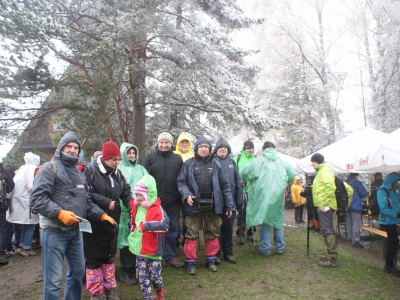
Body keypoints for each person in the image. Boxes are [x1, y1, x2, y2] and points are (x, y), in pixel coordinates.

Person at [30, 131, 115, 299]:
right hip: (53, 231)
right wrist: (60, 213)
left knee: (77, 273)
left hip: (75, 231)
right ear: (61, 148)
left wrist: (101, 215)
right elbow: (37, 199)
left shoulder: (79, 173)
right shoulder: (49, 168)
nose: (72, 150)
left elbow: (86, 201)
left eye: (76, 147)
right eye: (69, 146)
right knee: (53, 280)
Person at [83, 141, 134, 300]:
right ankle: (96, 294)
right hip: (94, 222)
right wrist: (103, 206)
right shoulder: (90, 171)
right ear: (105, 158)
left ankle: (110, 290)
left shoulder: (117, 173)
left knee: (109, 257)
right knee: (93, 260)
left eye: (119, 159)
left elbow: (126, 192)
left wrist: (133, 208)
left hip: (113, 221)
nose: (117, 162)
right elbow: (85, 196)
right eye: (114, 159)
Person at [177, 136, 235, 275]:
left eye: (206, 147)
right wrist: (186, 194)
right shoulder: (188, 164)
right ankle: (190, 262)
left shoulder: (217, 164)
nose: (203, 149)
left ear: (209, 150)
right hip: (193, 205)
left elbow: (225, 186)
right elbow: (181, 182)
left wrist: (230, 205)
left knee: (212, 233)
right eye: (201, 147)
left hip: (213, 206)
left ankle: (211, 259)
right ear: (196, 149)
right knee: (191, 234)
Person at [240, 141, 295, 256]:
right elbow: (292, 175)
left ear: (263, 150)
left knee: (265, 221)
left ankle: (265, 249)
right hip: (278, 196)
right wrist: (284, 183)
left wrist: (247, 179)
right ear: (274, 149)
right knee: (278, 221)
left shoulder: (259, 161)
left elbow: (244, 172)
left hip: (263, 195)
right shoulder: (282, 162)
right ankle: (280, 247)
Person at [142, 132, 184, 268]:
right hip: (156, 202)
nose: (164, 145)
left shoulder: (177, 159)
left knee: (172, 229)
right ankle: (157, 257)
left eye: (167, 142)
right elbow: (143, 178)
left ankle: (171, 256)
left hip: (174, 201)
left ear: (171, 144)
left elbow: (182, 179)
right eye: (162, 142)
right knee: (156, 229)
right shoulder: (150, 157)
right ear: (158, 143)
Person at [128, 175, 169, 300]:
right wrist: (132, 233)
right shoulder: (137, 207)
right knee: (143, 280)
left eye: (141, 195)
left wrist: (146, 226)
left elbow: (165, 225)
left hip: (153, 251)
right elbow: (133, 223)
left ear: (149, 194)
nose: (138, 198)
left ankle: (159, 290)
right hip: (139, 250)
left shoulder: (158, 209)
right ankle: (148, 297)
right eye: (137, 194)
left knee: (155, 278)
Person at [117, 143, 148, 285]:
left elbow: (149, 185)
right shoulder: (119, 169)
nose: (131, 155)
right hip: (124, 212)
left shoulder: (141, 169)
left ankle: (139, 267)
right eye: (128, 153)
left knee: (138, 237)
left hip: (140, 210)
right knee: (125, 240)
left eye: (133, 153)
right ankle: (126, 269)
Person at [213, 137, 243, 264]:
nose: (223, 150)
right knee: (216, 229)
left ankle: (228, 253)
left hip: (230, 203)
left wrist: (239, 200)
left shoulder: (232, 162)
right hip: (216, 202)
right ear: (216, 150)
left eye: (225, 148)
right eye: (220, 148)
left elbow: (237, 182)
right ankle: (217, 254)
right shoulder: (213, 161)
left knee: (228, 228)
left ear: (228, 150)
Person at [7, 152, 40, 257]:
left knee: (22, 224)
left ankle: (20, 245)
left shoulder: (22, 168)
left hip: (18, 200)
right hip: (26, 201)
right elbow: (32, 186)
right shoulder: (32, 169)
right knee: (30, 224)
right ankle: (26, 247)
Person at [309, 153, 338, 267]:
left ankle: (332, 258)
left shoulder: (325, 171)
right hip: (324, 205)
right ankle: (329, 253)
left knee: (328, 230)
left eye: (312, 162)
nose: (311, 164)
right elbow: (322, 187)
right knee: (326, 230)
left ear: (317, 161)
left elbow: (331, 187)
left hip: (326, 206)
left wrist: (324, 203)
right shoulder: (322, 171)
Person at [233, 140, 256, 244]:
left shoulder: (256, 159)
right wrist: (239, 181)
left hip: (253, 190)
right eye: (248, 148)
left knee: (252, 211)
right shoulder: (237, 158)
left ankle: (251, 233)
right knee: (242, 211)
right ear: (244, 148)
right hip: (241, 189)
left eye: (252, 148)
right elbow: (232, 173)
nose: (250, 150)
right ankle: (240, 233)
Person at [377, 172, 400, 276]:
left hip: (393, 220)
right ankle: (389, 265)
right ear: (392, 182)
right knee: (392, 242)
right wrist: (396, 214)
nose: (397, 184)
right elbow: (384, 208)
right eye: (396, 182)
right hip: (387, 220)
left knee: (393, 242)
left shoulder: (392, 190)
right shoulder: (383, 190)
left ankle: (390, 264)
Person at [346, 173, 368, 248]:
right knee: (356, 223)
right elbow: (363, 194)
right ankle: (355, 240)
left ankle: (350, 237)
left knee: (349, 222)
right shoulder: (357, 183)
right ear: (356, 175)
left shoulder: (345, 182)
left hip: (347, 205)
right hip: (355, 205)